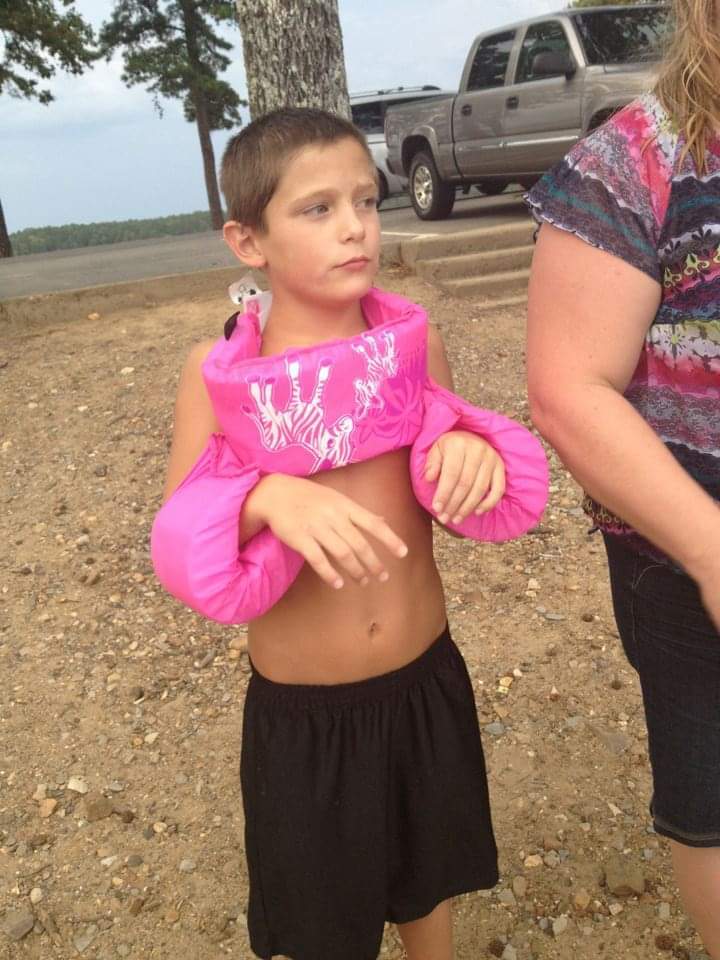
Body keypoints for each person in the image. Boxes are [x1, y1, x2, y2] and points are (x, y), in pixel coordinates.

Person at [150, 107, 548, 960]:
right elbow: (181, 539)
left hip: (425, 679)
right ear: (247, 241)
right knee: (324, 923)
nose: (355, 226)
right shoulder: (217, 377)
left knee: (428, 880)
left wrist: (470, 451)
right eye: (317, 208)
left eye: (366, 200)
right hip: (307, 718)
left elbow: (450, 475)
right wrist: (266, 499)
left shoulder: (411, 345)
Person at [525, 0, 720, 954]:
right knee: (712, 795)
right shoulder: (633, 162)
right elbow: (568, 388)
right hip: (686, 559)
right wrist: (712, 555)